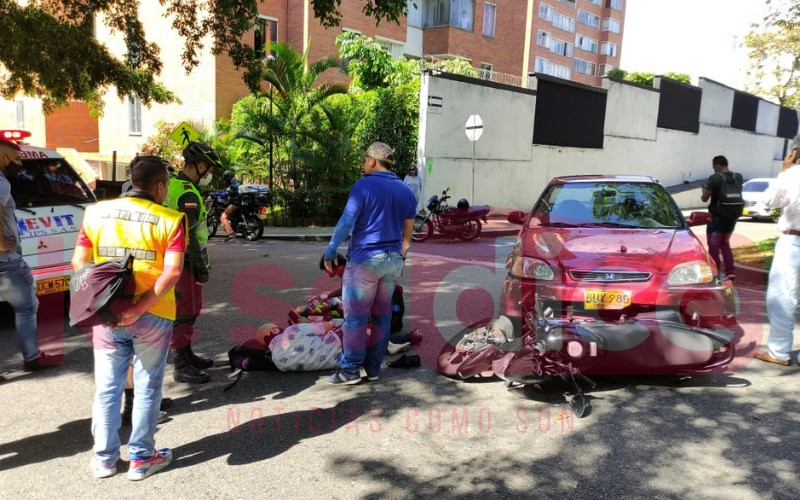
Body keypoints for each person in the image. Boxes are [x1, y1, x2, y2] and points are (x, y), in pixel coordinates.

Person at [72, 155, 186, 480]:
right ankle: (141, 459)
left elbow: (80, 261)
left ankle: (105, 460)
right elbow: (173, 271)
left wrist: (104, 300)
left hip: (107, 316)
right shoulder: (171, 220)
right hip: (154, 315)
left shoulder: (95, 213)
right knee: (149, 388)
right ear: (160, 186)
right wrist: (138, 307)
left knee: (108, 388)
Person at [322, 142, 417, 385]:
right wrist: (401, 256)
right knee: (382, 317)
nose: (363, 165)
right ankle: (373, 369)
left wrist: (331, 249)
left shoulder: (363, 186)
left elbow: (346, 222)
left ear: (373, 160)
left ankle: (350, 370)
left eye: (365, 160)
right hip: (392, 260)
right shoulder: (406, 191)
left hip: (365, 261)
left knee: (355, 319)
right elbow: (408, 233)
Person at [163, 142, 221, 383]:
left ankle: (186, 355)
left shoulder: (173, 185)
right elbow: (189, 235)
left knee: (189, 310)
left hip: (173, 257)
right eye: (208, 170)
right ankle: (180, 365)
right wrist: (198, 265)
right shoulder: (187, 193)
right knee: (185, 311)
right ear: (199, 166)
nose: (208, 175)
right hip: (185, 261)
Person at [0, 139, 50, 371]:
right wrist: (2, 242)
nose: (19, 164)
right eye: (17, 159)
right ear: (3, 158)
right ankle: (31, 358)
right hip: (6, 262)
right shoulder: (1, 183)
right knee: (26, 308)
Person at [754, 146, 800, 366]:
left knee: (782, 297)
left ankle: (778, 352)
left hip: (793, 241)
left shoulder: (792, 175)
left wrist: (784, 171)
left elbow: (769, 201)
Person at [700, 155, 743, 280]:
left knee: (713, 245)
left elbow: (704, 198)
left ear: (717, 166)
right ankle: (730, 272)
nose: (714, 169)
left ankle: (716, 272)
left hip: (717, 216)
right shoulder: (738, 177)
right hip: (732, 216)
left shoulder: (715, 178)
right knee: (725, 243)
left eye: (714, 167)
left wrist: (704, 191)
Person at [219, 169, 241, 241]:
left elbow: (225, 194)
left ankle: (231, 234)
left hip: (235, 204)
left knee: (223, 217)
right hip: (240, 204)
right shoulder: (237, 183)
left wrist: (215, 194)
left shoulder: (233, 185)